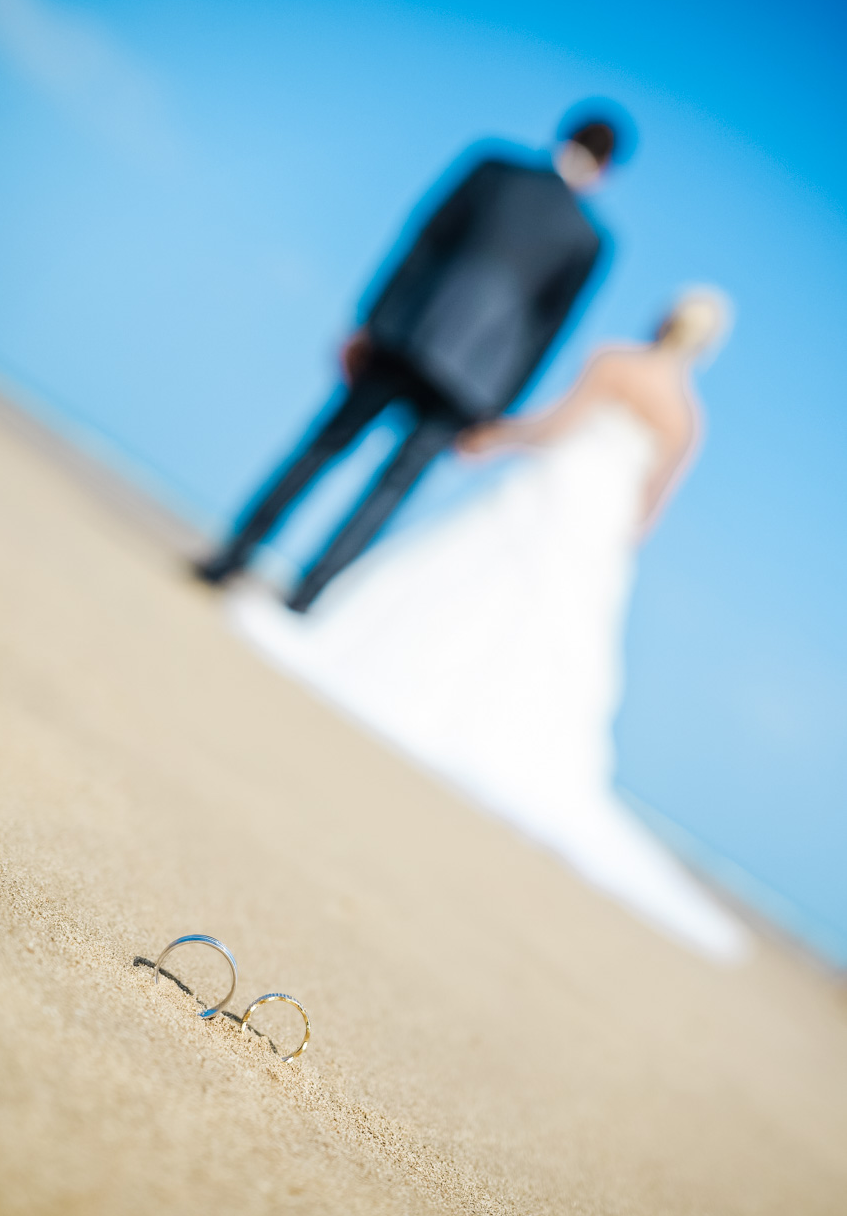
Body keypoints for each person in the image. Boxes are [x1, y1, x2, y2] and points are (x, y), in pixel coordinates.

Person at [228, 290, 750, 962]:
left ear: (665, 319)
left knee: (469, 580)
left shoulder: (616, 361)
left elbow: (560, 424)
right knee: (557, 642)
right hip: (597, 525)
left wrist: (496, 436)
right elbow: (648, 514)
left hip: (557, 491)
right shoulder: (687, 419)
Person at [193, 105, 632, 611]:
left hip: (410, 334)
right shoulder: (590, 240)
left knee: (324, 447)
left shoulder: (494, 169)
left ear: (563, 134)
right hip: (473, 383)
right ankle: (306, 597)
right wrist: (497, 409)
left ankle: (232, 556)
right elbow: (546, 333)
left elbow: (424, 241)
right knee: (390, 490)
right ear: (608, 169)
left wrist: (372, 318)